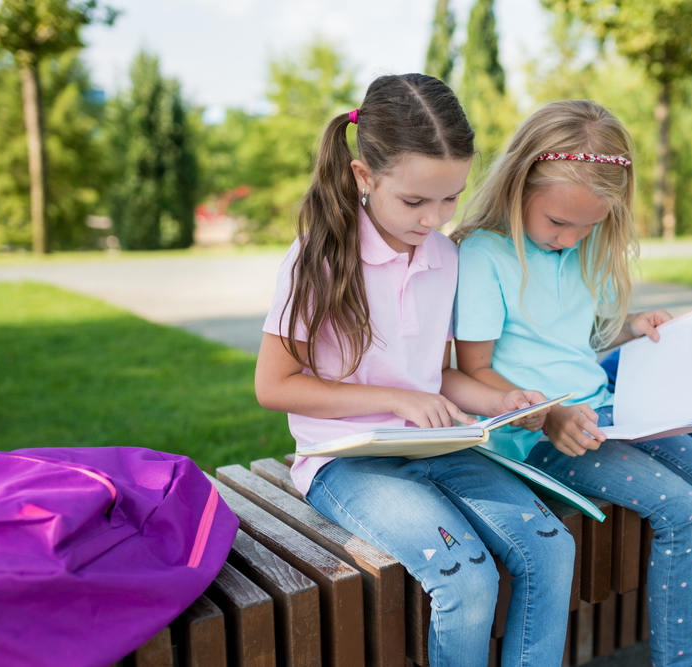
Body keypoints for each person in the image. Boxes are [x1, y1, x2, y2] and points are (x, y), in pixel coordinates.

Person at [253, 74, 575, 667]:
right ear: (363, 177)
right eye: (414, 201)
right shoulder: (319, 257)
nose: (434, 219)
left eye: (451, 198)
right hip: (345, 463)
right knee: (466, 574)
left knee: (552, 548)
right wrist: (397, 401)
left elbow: (436, 375)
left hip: (436, 446)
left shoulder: (445, 256)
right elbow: (274, 386)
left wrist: (497, 400)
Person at [451, 100, 692, 667]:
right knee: (684, 511)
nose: (570, 238)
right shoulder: (484, 254)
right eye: (557, 222)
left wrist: (631, 327)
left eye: (587, 225)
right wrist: (550, 416)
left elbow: (581, 339)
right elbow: (474, 371)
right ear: (518, 185)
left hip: (608, 413)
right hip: (535, 436)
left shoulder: (587, 247)